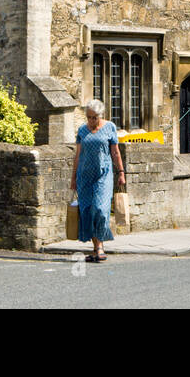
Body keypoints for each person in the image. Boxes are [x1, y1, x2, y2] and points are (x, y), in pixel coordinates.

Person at [73, 99, 125, 262]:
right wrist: (73, 178)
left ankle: (100, 247)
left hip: (104, 174)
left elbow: (115, 153)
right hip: (85, 177)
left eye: (94, 117)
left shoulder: (110, 127)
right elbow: (78, 156)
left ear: (100, 115)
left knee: (101, 210)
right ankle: (97, 248)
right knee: (88, 211)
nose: (91, 121)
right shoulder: (82, 130)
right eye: (88, 117)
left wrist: (121, 172)